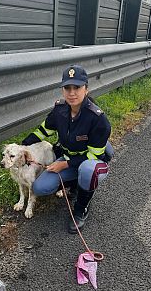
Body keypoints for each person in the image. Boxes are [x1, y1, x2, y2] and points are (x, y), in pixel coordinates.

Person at [22, 65, 113, 233]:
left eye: (77, 87)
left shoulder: (98, 119)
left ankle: (81, 208)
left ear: (86, 89)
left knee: (87, 170)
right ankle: (75, 184)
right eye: (67, 88)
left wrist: (63, 165)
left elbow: (92, 156)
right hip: (68, 158)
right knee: (39, 188)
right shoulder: (60, 110)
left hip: (92, 162)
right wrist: (22, 147)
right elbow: (43, 131)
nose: (72, 93)